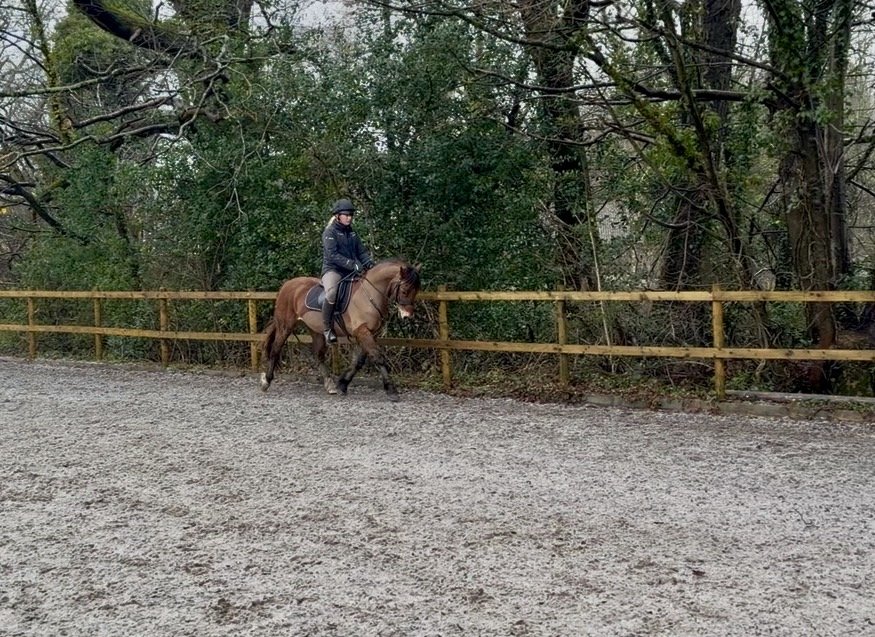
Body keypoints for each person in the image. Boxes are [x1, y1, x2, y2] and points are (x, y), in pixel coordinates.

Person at [321, 198, 375, 343]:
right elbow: (332, 255)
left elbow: (361, 252)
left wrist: (369, 263)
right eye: (346, 215)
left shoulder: (352, 233)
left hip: (351, 271)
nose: (349, 218)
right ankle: (327, 329)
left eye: (351, 215)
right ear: (337, 216)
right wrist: (352, 264)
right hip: (333, 270)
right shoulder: (329, 232)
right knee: (332, 293)